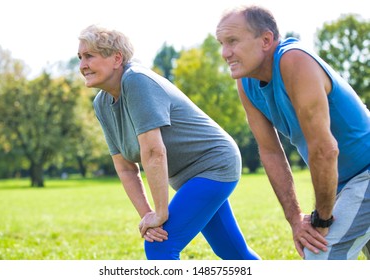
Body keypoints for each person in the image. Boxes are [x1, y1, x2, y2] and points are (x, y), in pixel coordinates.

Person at [77, 24, 260, 260]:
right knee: (233, 253)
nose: (82, 65)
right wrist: (149, 217)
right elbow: (125, 168)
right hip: (188, 179)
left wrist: (161, 213)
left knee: (161, 246)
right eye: (80, 57)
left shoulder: (136, 81)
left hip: (215, 165)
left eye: (89, 56)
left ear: (116, 58)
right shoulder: (102, 104)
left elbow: (154, 152)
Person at [216, 5, 370, 260]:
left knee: (320, 253)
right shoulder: (245, 83)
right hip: (343, 183)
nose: (224, 53)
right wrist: (295, 219)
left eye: (232, 41)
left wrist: (321, 219)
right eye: (221, 43)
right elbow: (270, 152)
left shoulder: (294, 60)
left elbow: (325, 149)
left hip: (365, 172)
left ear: (266, 40)